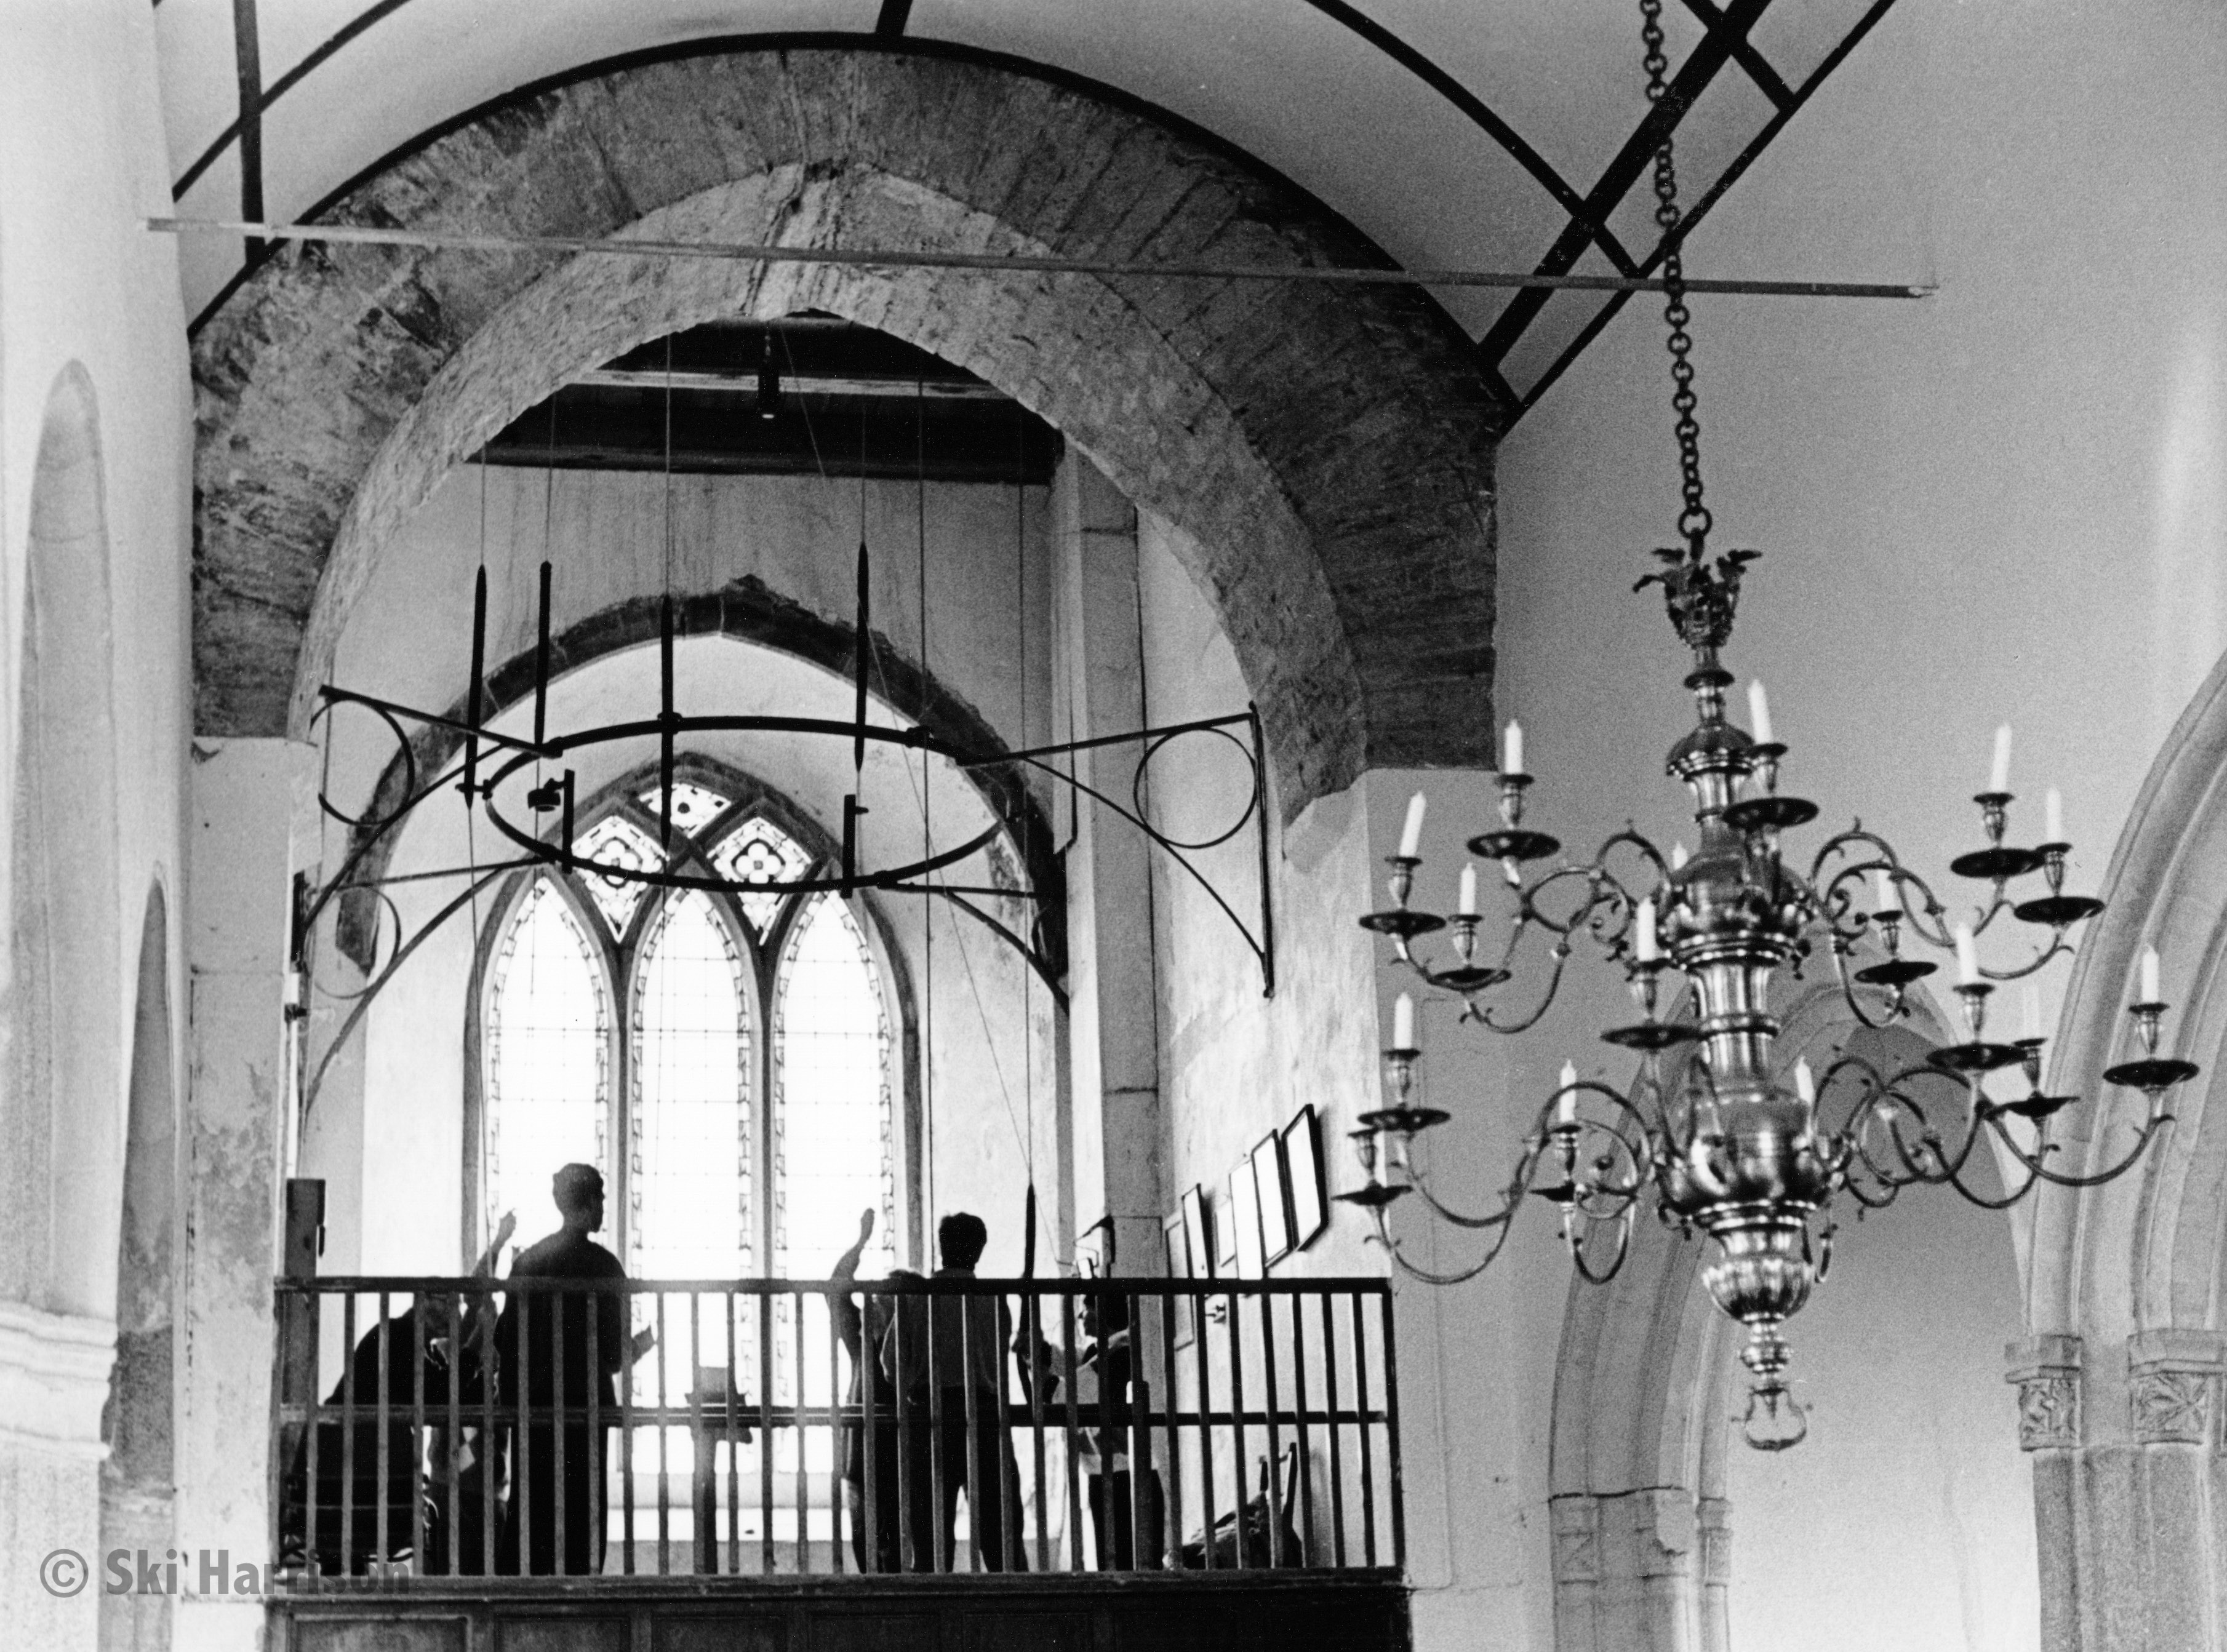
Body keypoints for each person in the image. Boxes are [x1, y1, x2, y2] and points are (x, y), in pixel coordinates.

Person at [284, 1211, 514, 1576]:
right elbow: (442, 1395)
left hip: (352, 1474)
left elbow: (454, 1385)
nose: (456, 1313)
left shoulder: (413, 1341)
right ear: (428, 1306)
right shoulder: (400, 1339)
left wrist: (498, 1247)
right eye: (449, 1306)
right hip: (346, 1475)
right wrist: (475, 1345)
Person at [492, 1164, 654, 1576]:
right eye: (600, 1198)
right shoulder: (604, 1266)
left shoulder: (529, 1261)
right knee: (582, 1520)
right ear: (588, 1203)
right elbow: (615, 1356)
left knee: (533, 1514)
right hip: (584, 1411)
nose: (603, 1207)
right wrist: (646, 1341)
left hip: (536, 1412)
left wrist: (513, 1406)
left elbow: (505, 1341)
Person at [880, 1211, 1025, 1571]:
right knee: (1001, 1537)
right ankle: (1017, 1617)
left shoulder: (918, 1297)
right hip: (985, 1418)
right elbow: (998, 1360)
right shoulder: (992, 1299)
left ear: (941, 1246)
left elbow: (891, 1362)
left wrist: (913, 1391)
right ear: (979, 1251)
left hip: (932, 1418)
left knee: (930, 1543)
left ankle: (932, 1618)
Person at [1021, 1287, 1165, 1570]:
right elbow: (1067, 1358)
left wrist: (1040, 1374)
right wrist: (1037, 1350)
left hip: (1127, 1477)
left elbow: (1068, 1392)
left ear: (1104, 1313)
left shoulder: (1121, 1352)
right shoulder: (1101, 1350)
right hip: (1109, 1473)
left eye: (1087, 1308)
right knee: (1118, 1566)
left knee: (1126, 1568)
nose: (1080, 1315)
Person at [829, 1207, 913, 1572]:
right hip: (859, 1463)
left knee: (894, 1555)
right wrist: (860, 1243)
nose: (871, 1306)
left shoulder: (913, 1352)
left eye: (881, 1301)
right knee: (865, 1551)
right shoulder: (860, 1343)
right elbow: (835, 1291)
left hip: (899, 1464)